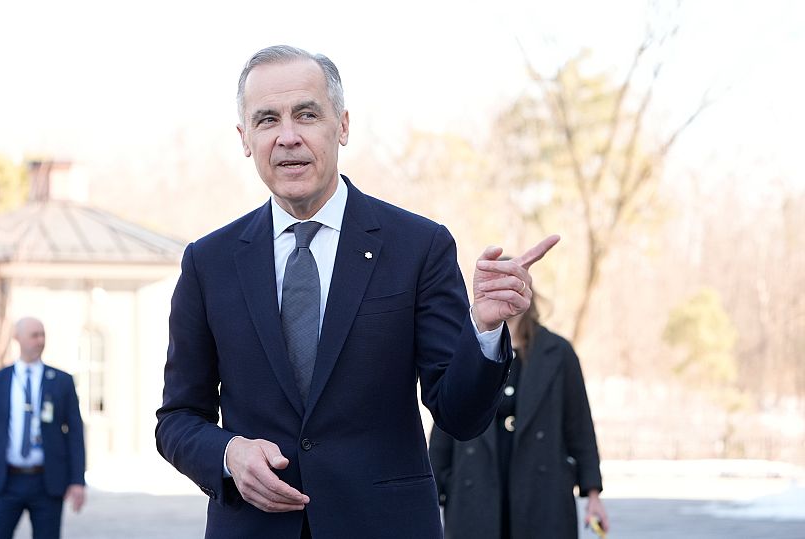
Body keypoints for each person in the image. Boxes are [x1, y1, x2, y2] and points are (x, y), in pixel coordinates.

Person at [154, 45, 560, 538]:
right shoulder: (208, 262)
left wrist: (485, 329)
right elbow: (177, 418)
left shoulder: (418, 246)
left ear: (342, 126)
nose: (288, 137)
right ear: (245, 138)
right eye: (267, 120)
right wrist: (227, 453)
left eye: (306, 115)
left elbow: (461, 415)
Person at [429, 287, 609, 539]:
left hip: (542, 495)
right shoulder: (467, 348)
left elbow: (579, 427)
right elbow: (446, 422)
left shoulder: (558, 352)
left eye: (512, 287)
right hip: (475, 493)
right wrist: (432, 490)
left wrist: (593, 495)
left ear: (527, 295)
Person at [0, 317, 86, 539]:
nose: (40, 341)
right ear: (17, 338)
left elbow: (75, 432)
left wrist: (77, 480)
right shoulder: (1, 380)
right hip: (6, 481)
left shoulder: (61, 381)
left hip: (47, 483)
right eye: (34, 335)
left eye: (42, 335)